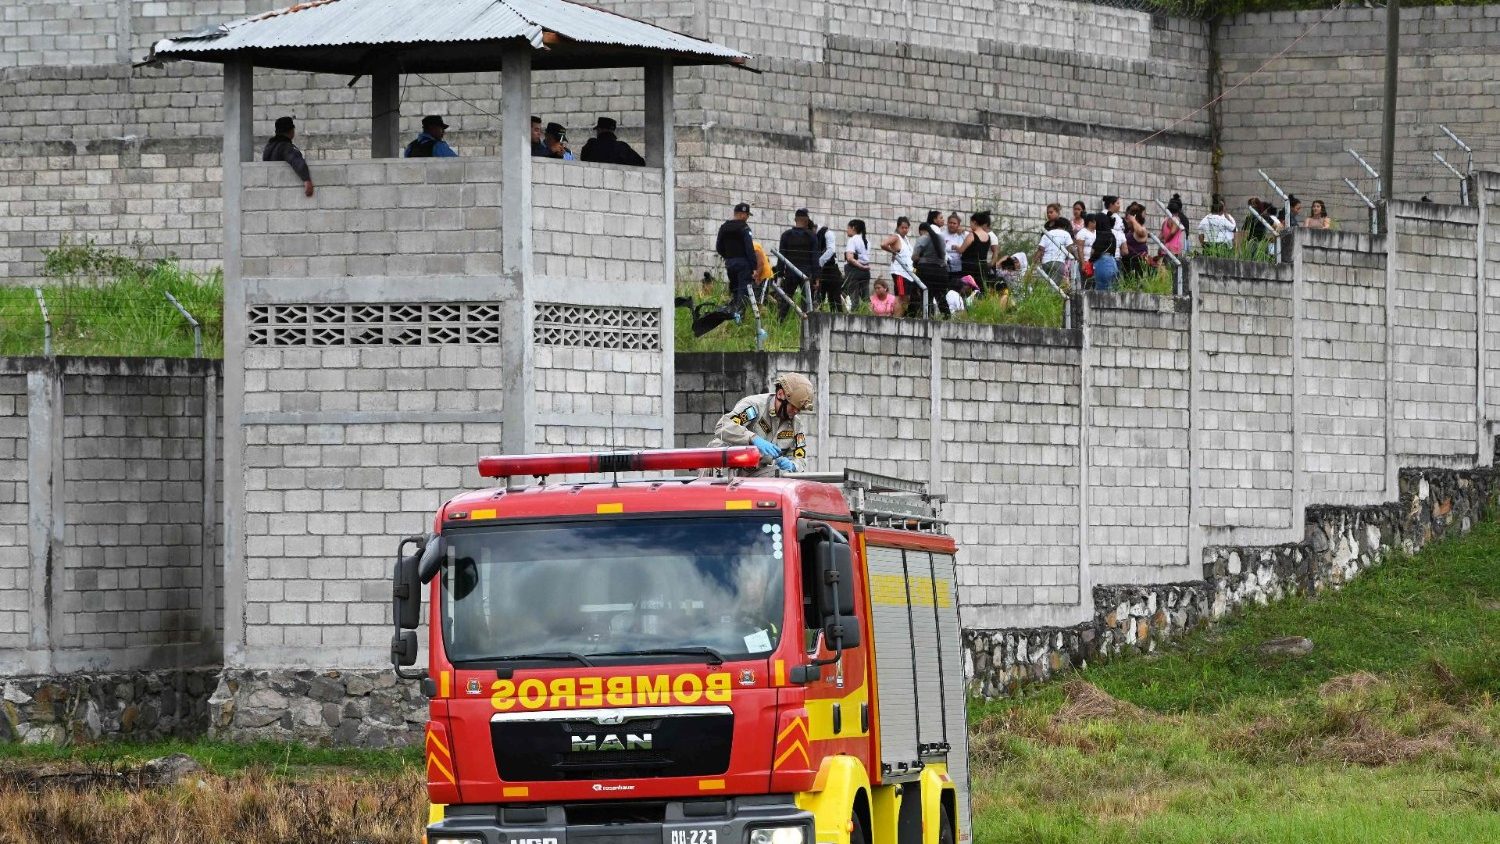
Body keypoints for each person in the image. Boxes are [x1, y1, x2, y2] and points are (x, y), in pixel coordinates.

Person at [708, 373, 815, 477]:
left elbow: (800, 456)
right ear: (780, 394)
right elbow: (723, 426)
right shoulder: (755, 407)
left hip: (757, 472)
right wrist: (753, 438)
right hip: (725, 467)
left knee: (781, 477)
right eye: (793, 406)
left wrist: (793, 466)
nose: (795, 411)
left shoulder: (796, 425)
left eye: (799, 409)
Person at [716, 203, 757, 319]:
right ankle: (739, 318)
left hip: (730, 263)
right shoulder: (744, 228)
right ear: (742, 214)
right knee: (743, 292)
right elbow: (749, 248)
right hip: (743, 264)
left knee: (734, 290)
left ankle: (732, 315)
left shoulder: (724, 227)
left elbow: (719, 247)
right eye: (747, 215)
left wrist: (728, 257)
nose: (747, 217)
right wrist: (754, 267)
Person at [776, 210, 820, 318]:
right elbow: (815, 258)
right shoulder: (812, 236)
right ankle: (806, 325)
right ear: (807, 221)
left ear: (795, 220)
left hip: (790, 273)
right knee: (807, 303)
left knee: (786, 301)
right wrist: (817, 278)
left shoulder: (786, 235)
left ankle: (779, 323)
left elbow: (781, 257)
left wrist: (779, 275)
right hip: (806, 275)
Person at [261, 116, 314, 197]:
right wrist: (307, 180)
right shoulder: (285, 146)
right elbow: (296, 160)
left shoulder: (269, 146)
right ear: (291, 131)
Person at [913, 218, 952, 317]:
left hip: (926, 271)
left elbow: (914, 257)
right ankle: (947, 317)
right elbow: (943, 255)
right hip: (941, 272)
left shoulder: (922, 239)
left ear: (922, 231)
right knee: (941, 297)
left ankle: (928, 317)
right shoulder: (941, 239)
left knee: (926, 296)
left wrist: (920, 258)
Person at [881, 217, 917, 317]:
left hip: (908, 273)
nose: (905, 230)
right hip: (900, 272)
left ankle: (898, 316)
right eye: (902, 227)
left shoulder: (906, 240)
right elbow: (883, 244)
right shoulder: (896, 237)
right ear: (898, 227)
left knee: (906, 298)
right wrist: (892, 252)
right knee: (901, 297)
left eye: (906, 228)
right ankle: (896, 318)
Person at [580, 117, 645, 166]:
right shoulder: (622, 147)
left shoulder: (592, 144)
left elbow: (583, 158)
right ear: (613, 131)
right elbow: (640, 163)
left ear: (599, 130)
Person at [958, 211, 997, 291]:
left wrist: (955, 247)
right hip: (982, 266)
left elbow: (961, 250)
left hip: (969, 267)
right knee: (980, 288)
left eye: (971, 223)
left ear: (974, 222)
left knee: (967, 288)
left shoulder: (972, 235)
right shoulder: (988, 236)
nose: (970, 225)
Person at [812, 217, 842, 312]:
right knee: (820, 296)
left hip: (831, 269)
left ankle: (839, 318)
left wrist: (819, 262)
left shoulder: (828, 233)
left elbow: (831, 250)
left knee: (834, 298)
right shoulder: (814, 237)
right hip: (821, 271)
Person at [1033, 218, 1073, 283]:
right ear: (1065, 226)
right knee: (1055, 285)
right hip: (1058, 262)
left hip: (1046, 262)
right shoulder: (1066, 234)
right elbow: (1070, 248)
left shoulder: (1047, 234)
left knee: (1047, 283)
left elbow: (1040, 249)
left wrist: (1033, 263)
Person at [843, 219, 872, 307]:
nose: (847, 230)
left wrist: (861, 267)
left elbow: (850, 258)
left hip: (854, 271)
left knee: (854, 300)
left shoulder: (852, 240)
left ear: (853, 228)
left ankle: (854, 318)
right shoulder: (867, 241)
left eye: (848, 228)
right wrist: (864, 267)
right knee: (866, 299)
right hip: (865, 272)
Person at [1089, 212, 1119, 290]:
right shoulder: (1111, 235)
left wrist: (1090, 260)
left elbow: (1097, 252)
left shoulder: (1102, 236)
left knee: (1101, 292)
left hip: (1103, 265)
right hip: (1112, 263)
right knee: (1110, 289)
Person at [1121, 202, 1151, 277]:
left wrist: (1133, 220)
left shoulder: (1142, 229)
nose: (1126, 221)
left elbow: (1141, 232)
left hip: (1138, 264)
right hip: (1128, 264)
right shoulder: (1130, 231)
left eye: (1128, 219)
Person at [1160, 194, 1188, 258]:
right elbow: (1172, 232)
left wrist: (1161, 244)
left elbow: (1161, 235)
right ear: (1178, 210)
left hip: (1165, 249)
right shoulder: (1176, 220)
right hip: (1174, 250)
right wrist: (1166, 240)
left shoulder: (1165, 221)